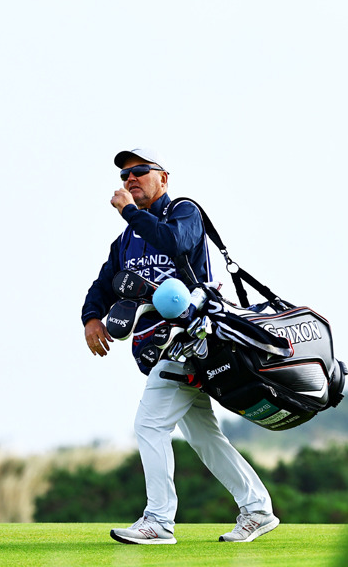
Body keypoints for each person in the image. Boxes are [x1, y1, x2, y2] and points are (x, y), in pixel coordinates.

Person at [82, 148, 278, 546]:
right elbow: (104, 284)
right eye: (124, 176)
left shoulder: (183, 212)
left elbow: (174, 242)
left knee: (149, 424)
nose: (130, 180)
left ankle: (158, 520)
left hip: (191, 341)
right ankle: (256, 508)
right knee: (205, 436)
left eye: (139, 171)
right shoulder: (126, 239)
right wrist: (90, 318)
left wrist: (130, 213)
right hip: (160, 347)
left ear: (163, 178)